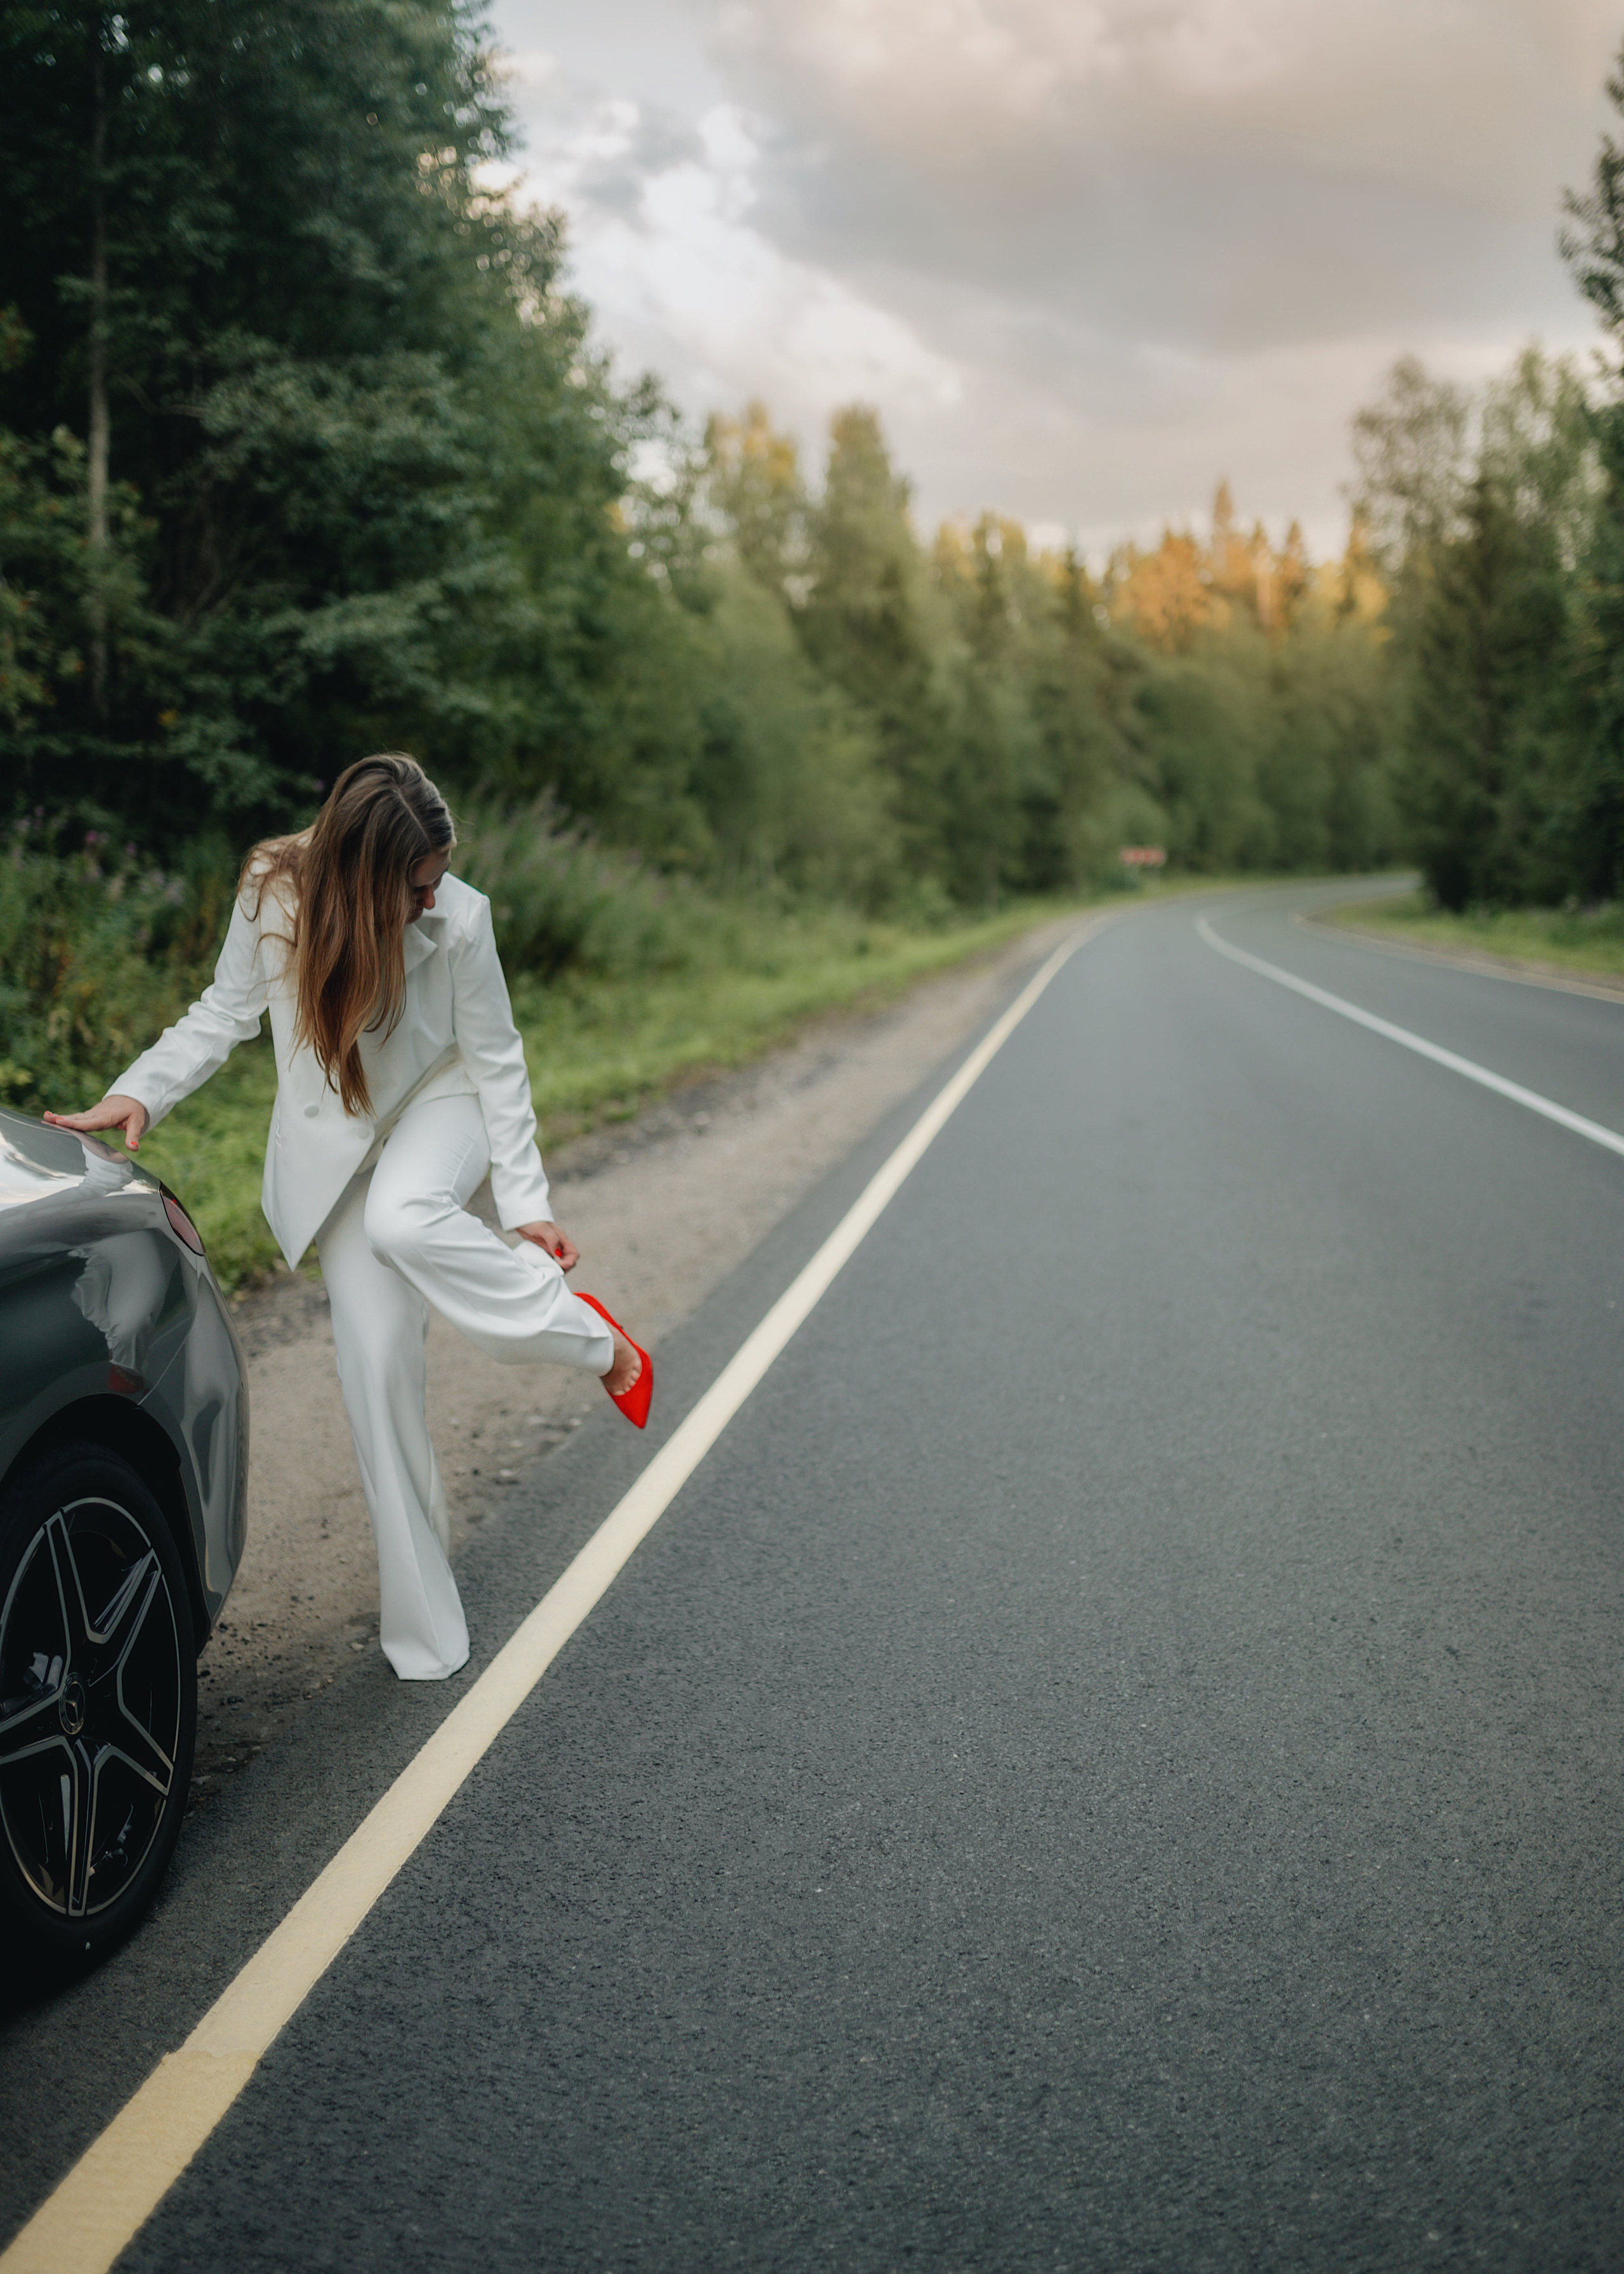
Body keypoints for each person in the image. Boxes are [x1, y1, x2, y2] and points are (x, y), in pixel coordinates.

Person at [46, 754, 648, 1682]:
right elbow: (224, 1011)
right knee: (375, 1373)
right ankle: (426, 1634)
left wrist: (527, 1207)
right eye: (416, 886)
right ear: (364, 878)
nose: (432, 900)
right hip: (341, 1156)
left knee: (406, 1218)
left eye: (439, 880)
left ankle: (592, 1338)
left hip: (440, 1107)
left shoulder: (461, 920)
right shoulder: (270, 892)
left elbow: (497, 1060)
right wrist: (140, 1092)